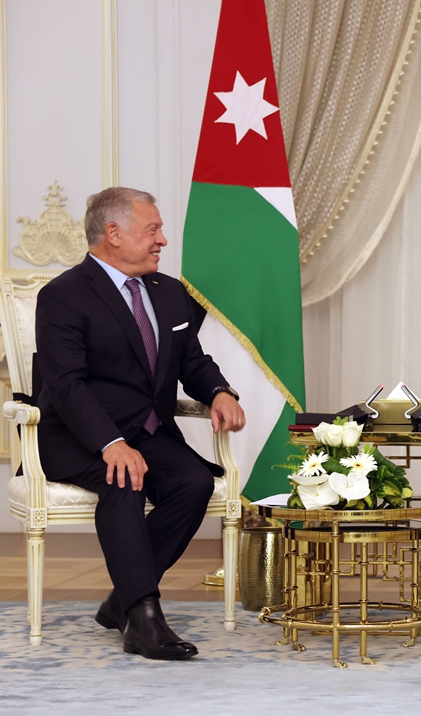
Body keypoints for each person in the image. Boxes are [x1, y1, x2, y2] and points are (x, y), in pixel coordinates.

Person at [35, 187, 246, 660]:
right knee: (124, 480)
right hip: (77, 435)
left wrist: (218, 390)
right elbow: (67, 386)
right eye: (152, 230)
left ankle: (123, 597)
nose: (163, 240)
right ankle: (144, 618)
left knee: (194, 483)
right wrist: (110, 442)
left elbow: (192, 359)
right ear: (113, 234)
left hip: (148, 433)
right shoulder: (63, 296)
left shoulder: (167, 292)